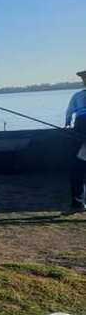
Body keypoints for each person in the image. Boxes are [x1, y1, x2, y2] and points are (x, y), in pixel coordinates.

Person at [66, 70, 86, 210]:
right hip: (80, 126)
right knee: (79, 165)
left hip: (80, 126)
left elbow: (69, 113)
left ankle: (77, 201)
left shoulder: (77, 95)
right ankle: (78, 200)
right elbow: (69, 113)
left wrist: (67, 123)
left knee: (78, 165)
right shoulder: (77, 95)